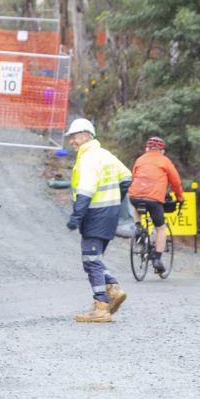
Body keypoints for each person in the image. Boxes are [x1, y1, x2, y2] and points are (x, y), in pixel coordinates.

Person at [64, 118, 132, 323]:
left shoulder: (88, 158)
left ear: (86, 135)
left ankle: (101, 306)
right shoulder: (105, 155)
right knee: (94, 258)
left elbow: (85, 191)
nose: (72, 142)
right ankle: (112, 289)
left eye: (74, 137)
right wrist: (115, 201)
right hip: (109, 214)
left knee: (91, 260)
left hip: (96, 214)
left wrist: (75, 218)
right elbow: (126, 176)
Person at [128, 136, 184, 275]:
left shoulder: (140, 159)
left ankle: (138, 227)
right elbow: (175, 182)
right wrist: (179, 198)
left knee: (135, 204)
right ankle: (157, 259)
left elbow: (134, 177)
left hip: (135, 196)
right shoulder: (165, 161)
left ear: (147, 149)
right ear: (162, 151)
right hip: (153, 199)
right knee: (161, 228)